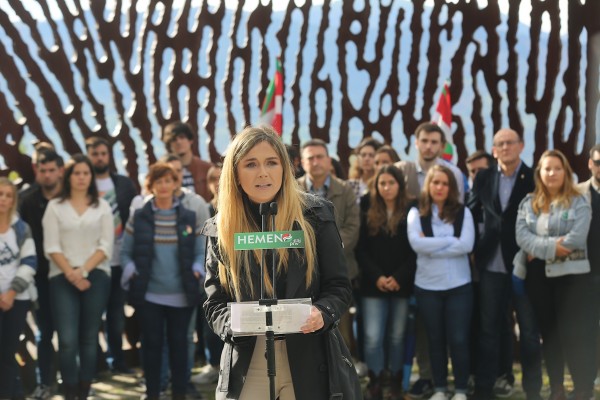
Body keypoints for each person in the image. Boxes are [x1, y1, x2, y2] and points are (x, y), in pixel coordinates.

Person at [202, 126, 361, 399]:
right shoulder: (221, 228)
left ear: (285, 169)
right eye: (251, 164)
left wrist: (322, 313)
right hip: (247, 360)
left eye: (271, 162)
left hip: (309, 360)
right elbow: (214, 302)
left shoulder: (317, 215)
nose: (263, 172)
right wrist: (231, 324)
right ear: (235, 174)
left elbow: (339, 286)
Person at [514, 149, 595, 400]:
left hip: (573, 278)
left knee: (574, 333)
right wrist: (552, 246)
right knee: (549, 334)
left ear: (565, 171)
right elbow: (522, 237)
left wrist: (541, 248)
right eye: (547, 168)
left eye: (557, 168)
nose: (552, 173)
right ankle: (557, 388)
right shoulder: (529, 203)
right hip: (538, 278)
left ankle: (582, 388)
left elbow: (577, 239)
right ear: (540, 172)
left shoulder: (580, 200)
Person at [467, 129, 542, 400]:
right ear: (494, 149)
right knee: (489, 330)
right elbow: (471, 211)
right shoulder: (484, 176)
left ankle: (532, 391)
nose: (505, 147)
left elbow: (543, 213)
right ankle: (485, 389)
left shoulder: (534, 177)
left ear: (521, 146)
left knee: (529, 332)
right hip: (489, 266)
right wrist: (473, 248)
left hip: (525, 264)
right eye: (500, 144)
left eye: (510, 142)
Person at [121, 162, 205, 400]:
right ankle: (153, 392)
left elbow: (200, 250)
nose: (165, 185)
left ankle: (179, 392)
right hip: (150, 296)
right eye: (159, 181)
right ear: (151, 185)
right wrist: (132, 271)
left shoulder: (188, 217)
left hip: (182, 294)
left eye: (169, 180)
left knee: (180, 346)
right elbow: (125, 253)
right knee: (152, 346)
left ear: (175, 183)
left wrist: (198, 269)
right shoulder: (139, 217)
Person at [395, 122, 465, 398]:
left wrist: (437, 243)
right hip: (405, 259)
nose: (429, 146)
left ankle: (449, 380)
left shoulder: (454, 174)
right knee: (422, 326)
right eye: (424, 140)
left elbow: (459, 215)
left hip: (443, 266)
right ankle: (425, 376)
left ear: (442, 145)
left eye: (435, 142)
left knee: (448, 329)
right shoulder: (404, 171)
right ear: (416, 142)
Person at [42, 154, 114, 400]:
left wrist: (83, 272)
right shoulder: (55, 207)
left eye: (86, 173)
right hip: (61, 276)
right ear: (68, 176)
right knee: (67, 339)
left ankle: (84, 389)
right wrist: (73, 275)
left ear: (91, 177)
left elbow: (106, 246)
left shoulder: (102, 206)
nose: (82, 177)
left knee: (88, 337)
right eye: (77, 173)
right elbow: (51, 247)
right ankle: (69, 390)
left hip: (96, 276)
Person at [407, 165, 475, 400]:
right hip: (427, 287)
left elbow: (466, 245)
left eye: (445, 183)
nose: (440, 187)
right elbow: (416, 244)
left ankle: (461, 389)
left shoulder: (464, 212)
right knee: (435, 339)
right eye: (436, 182)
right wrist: (449, 241)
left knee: (457, 339)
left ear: (451, 187)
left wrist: (432, 245)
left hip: (459, 285)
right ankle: (439, 388)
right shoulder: (416, 212)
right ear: (429, 185)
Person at [356, 165, 416, 400]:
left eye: (391, 183)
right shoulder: (366, 205)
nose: (387, 188)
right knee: (372, 337)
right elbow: (360, 249)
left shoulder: (411, 208)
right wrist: (378, 276)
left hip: (402, 283)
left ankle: (395, 382)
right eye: (382, 183)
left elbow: (415, 249)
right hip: (373, 284)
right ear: (376, 185)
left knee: (397, 336)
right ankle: (376, 381)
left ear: (400, 185)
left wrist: (399, 277)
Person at [297, 139, 360, 358]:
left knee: (338, 322)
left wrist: (328, 250)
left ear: (329, 159)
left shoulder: (345, 190)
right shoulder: (292, 190)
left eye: (320, 157)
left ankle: (342, 364)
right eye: (310, 158)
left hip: (339, 267)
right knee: (307, 321)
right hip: (301, 270)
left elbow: (352, 226)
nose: (316, 162)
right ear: (302, 163)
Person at [85, 136, 138, 374]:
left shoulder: (124, 184)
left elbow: (134, 220)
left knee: (116, 316)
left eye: (103, 153)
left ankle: (117, 361)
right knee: (93, 315)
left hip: (120, 259)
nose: (99, 158)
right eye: (95, 154)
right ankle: (96, 364)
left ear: (109, 156)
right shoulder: (83, 185)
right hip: (93, 262)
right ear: (89, 156)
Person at [19, 150, 64, 399]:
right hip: (39, 277)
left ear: (59, 170)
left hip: (69, 274)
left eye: (50, 170)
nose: (46, 175)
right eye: (42, 170)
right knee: (45, 330)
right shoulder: (26, 200)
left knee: (71, 332)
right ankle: (44, 383)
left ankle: (74, 381)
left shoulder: (71, 195)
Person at [0, 178, 37, 399]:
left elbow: (30, 261)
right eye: (0, 194)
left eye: (8, 195)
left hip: (17, 299)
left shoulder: (21, 228)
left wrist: (11, 293)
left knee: (7, 354)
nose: (3, 199)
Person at [192, 163, 225, 386]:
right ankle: (213, 365)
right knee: (210, 323)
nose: (217, 183)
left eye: (221, 178)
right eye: (213, 178)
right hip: (210, 273)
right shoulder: (206, 208)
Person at [577, 144, 600, 384]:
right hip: (584, 271)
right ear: (590, 163)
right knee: (588, 327)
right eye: (599, 162)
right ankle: (589, 375)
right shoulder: (576, 193)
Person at [162, 121, 213, 201]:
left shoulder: (206, 168)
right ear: (169, 144)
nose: (178, 142)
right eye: (174, 139)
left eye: (182, 137)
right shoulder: (162, 170)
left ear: (190, 140)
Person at [348, 136, 383, 202]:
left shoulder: (383, 184)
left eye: (371, 155)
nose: (367, 159)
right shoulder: (349, 185)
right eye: (363, 155)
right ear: (358, 158)